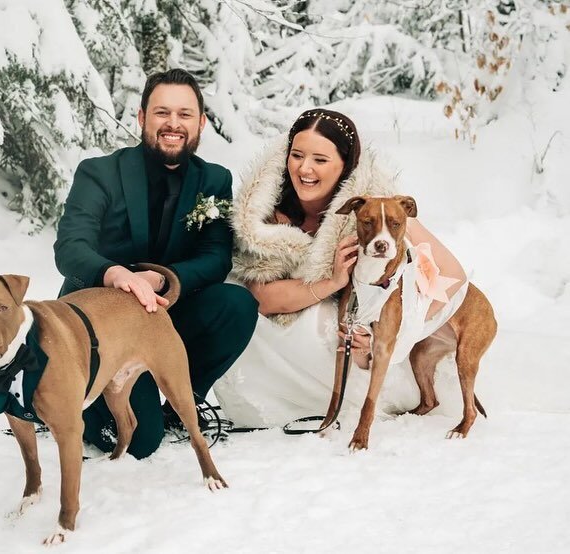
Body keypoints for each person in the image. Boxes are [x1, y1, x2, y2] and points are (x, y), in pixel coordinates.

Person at [213, 109, 468, 429]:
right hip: (292, 332)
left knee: (333, 324)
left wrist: (388, 336)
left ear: (345, 165)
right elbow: (262, 298)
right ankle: (280, 399)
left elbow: (452, 275)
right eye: (297, 155)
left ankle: (365, 393)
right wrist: (333, 281)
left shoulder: (375, 206)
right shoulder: (268, 209)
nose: (304, 168)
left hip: (358, 341)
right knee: (234, 293)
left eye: (320, 160)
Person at [54, 68, 259, 458]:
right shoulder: (98, 173)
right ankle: (74, 408)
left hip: (163, 312)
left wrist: (163, 278)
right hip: (102, 322)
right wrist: (114, 274)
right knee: (141, 443)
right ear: (142, 116)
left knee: (237, 304)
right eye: (162, 112)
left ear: (201, 122)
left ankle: (179, 402)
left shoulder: (214, 180)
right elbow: (70, 247)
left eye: (184, 114)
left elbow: (216, 257)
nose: (173, 124)